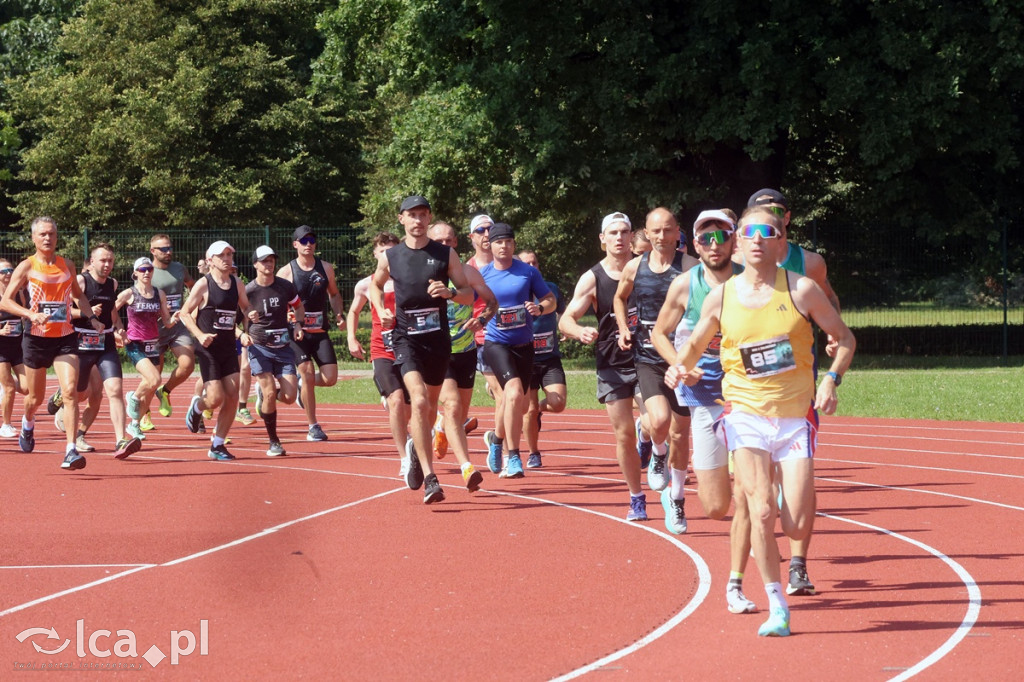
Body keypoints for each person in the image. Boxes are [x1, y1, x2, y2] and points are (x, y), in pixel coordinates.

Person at [667, 206, 855, 636]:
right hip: (745, 414)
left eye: (764, 231)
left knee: (797, 523)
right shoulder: (721, 295)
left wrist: (829, 381)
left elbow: (844, 339)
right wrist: (679, 367)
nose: (754, 239)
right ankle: (777, 605)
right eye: (746, 232)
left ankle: (792, 533)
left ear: (778, 241)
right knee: (761, 508)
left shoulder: (802, 289)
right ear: (738, 241)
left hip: (793, 418)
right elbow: (692, 346)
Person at [652, 210, 754, 613]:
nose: (714, 245)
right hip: (704, 392)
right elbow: (659, 333)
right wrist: (679, 364)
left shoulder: (752, 280)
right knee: (715, 508)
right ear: (694, 244)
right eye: (705, 238)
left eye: (721, 236)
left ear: (734, 240)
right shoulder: (684, 285)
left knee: (751, 484)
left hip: (749, 394)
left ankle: (751, 552)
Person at [747, 188, 842, 597]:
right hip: (749, 385)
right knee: (763, 484)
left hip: (798, 384)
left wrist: (834, 335)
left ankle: (799, 563)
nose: (765, 226)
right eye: (757, 220)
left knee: (799, 475)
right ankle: (764, 555)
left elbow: (831, 303)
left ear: (787, 219)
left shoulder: (811, 264)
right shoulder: (740, 261)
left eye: (776, 215)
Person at [370, 195, 473, 504]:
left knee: (428, 407)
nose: (417, 220)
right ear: (401, 219)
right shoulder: (391, 256)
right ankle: (431, 478)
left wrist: (451, 292)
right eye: (411, 215)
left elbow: (468, 294)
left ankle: (417, 446)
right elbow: (376, 285)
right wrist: (380, 310)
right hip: (405, 339)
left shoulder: (446, 254)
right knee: (416, 401)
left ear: (429, 218)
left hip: (438, 341)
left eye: (422, 214)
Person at [559, 212, 653, 520]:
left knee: (655, 422)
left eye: (624, 231)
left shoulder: (647, 269)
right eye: (612, 232)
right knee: (622, 433)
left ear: (632, 236)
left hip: (646, 359)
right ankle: (636, 497)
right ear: (602, 239)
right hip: (611, 363)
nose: (619, 237)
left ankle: (647, 436)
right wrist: (580, 331)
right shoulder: (592, 278)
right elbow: (565, 320)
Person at [614, 208, 698, 524]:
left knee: (682, 434)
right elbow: (620, 299)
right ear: (646, 234)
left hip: (683, 360)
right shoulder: (635, 267)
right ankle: (657, 452)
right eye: (656, 231)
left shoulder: (691, 268)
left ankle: (676, 500)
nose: (662, 237)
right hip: (647, 357)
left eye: (668, 230)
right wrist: (624, 328)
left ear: (678, 232)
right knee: (660, 420)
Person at [0, 216, 104, 470]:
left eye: (52, 234)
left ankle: (70, 450)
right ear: (34, 238)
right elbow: (5, 301)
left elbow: (79, 297)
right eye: (43, 234)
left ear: (57, 237)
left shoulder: (67, 265)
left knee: (69, 392)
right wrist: (30, 314)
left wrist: (92, 319)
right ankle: (27, 422)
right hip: (36, 339)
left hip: (65, 338)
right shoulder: (27, 266)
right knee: (33, 398)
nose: (48, 238)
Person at [479, 223, 556, 479]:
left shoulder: (527, 273)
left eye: (509, 242)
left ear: (513, 244)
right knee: (511, 393)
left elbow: (549, 299)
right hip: (496, 344)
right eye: (499, 242)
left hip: (524, 346)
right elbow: (471, 298)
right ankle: (513, 457)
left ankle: (496, 439)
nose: (504, 246)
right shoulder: (484, 273)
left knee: (520, 405)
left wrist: (540, 309)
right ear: (490, 245)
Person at [426, 221, 497, 491]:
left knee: (458, 413)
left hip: (465, 351)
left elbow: (491, 302)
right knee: (453, 405)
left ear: (456, 243)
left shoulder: (467, 272)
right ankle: (467, 467)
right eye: (439, 242)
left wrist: (481, 320)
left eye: (448, 241)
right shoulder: (420, 274)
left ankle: (442, 426)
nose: (444, 246)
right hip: (436, 351)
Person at [179, 240, 253, 460]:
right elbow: (184, 313)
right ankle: (198, 406)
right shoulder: (204, 284)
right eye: (222, 255)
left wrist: (247, 327)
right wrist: (200, 335)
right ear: (210, 260)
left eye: (230, 254)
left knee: (233, 394)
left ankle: (217, 444)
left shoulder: (237, 283)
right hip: (208, 348)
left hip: (229, 347)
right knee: (215, 398)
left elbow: (246, 308)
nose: (228, 259)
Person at [68, 244, 142, 458]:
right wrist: (87, 314)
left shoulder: (113, 283)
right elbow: (63, 310)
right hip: (81, 343)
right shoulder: (81, 281)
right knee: (82, 394)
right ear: (92, 262)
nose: (107, 264)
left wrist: (119, 328)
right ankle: (61, 399)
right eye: (103, 260)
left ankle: (120, 440)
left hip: (106, 344)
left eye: (110, 260)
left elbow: (112, 312)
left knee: (115, 390)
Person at [347, 232, 414, 469]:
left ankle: (410, 438)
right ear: (375, 254)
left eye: (392, 250)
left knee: (410, 407)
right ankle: (405, 458)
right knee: (396, 401)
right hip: (381, 349)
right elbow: (354, 311)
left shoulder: (409, 279)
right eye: (383, 251)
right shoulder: (366, 284)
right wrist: (351, 338)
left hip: (409, 349)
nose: (388, 255)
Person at [277, 225, 345, 442]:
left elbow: (334, 294)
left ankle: (299, 385)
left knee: (330, 378)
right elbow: (279, 302)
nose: (308, 244)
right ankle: (313, 426)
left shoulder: (326, 268)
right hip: (297, 333)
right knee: (306, 372)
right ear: (295, 244)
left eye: (311, 240)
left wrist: (339, 314)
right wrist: (289, 319)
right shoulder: (286, 272)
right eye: (303, 241)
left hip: (319, 331)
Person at [245, 245, 305, 456]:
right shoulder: (248, 291)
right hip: (259, 347)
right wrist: (244, 329)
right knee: (270, 392)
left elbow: (298, 307)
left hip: (283, 347)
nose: (269, 263)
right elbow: (236, 318)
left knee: (289, 396)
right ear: (255, 265)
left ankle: (265, 395)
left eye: (271, 260)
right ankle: (274, 441)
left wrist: (298, 324)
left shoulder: (285, 287)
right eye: (264, 260)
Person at [517, 249, 567, 468]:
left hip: (549, 358)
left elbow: (563, 311)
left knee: (558, 403)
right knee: (527, 409)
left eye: (534, 262)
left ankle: (538, 409)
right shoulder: (516, 290)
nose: (532, 266)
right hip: (525, 357)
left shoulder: (551, 289)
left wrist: (565, 325)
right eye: (526, 263)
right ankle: (533, 452)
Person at [116, 257, 175, 441]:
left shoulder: (160, 294)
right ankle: (133, 396)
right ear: (135, 273)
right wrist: (118, 330)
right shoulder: (129, 293)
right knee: (154, 378)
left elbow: (167, 322)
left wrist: (177, 317)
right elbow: (112, 309)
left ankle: (134, 424)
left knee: (151, 388)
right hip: (135, 343)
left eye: (149, 269)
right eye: (142, 269)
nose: (147, 272)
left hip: (153, 343)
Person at [463, 214, 504, 449]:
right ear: (472, 237)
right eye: (480, 230)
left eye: (490, 228)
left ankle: (500, 442)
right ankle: (503, 447)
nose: (487, 234)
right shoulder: (466, 269)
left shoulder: (508, 263)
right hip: (479, 337)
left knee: (507, 393)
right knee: (502, 394)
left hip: (508, 335)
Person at [150, 234, 197, 425]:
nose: (168, 252)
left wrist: (188, 309)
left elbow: (193, 286)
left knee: (188, 365)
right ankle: (144, 414)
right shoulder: (146, 271)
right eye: (163, 249)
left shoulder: (179, 268)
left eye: (170, 248)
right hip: (154, 329)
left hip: (177, 326)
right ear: (153, 251)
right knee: (153, 376)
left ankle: (166, 391)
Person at [0, 258, 28, 438]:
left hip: (17, 347)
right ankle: (6, 425)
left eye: (10, 270)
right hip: (0, 349)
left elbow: (24, 314)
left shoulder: (19, 294)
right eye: (4, 271)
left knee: (26, 388)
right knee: (9, 388)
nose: (8, 274)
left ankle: (4, 384)